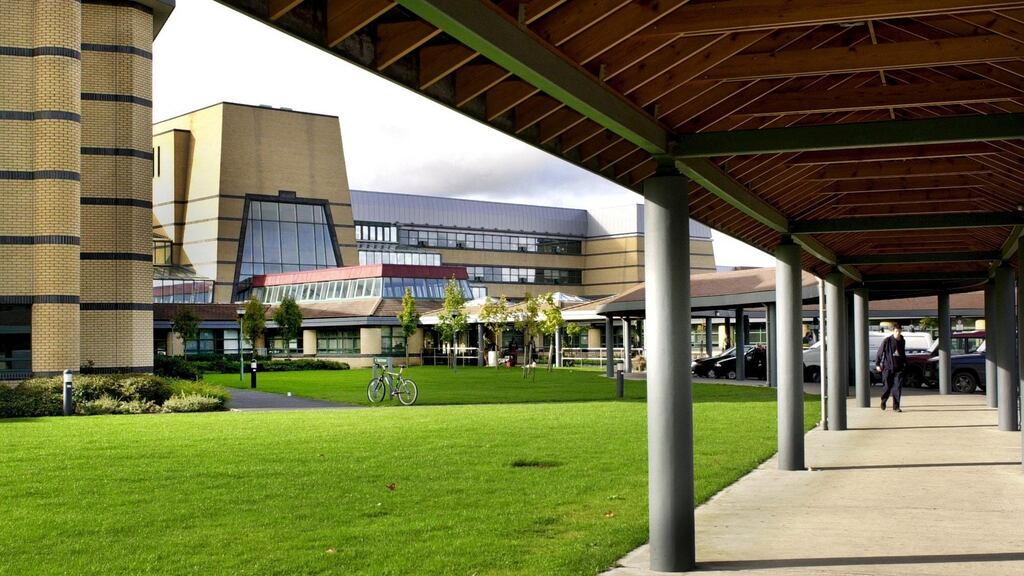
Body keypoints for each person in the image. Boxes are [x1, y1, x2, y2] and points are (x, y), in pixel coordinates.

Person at [875, 324, 907, 412]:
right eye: (896, 331)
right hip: (887, 368)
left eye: (899, 331)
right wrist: (878, 364)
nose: (898, 333)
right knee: (887, 387)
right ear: (893, 331)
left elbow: (903, 353)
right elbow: (880, 352)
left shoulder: (902, 341)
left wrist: (904, 363)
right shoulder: (887, 340)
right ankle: (883, 401)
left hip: (899, 368)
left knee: (897, 387)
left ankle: (896, 407)